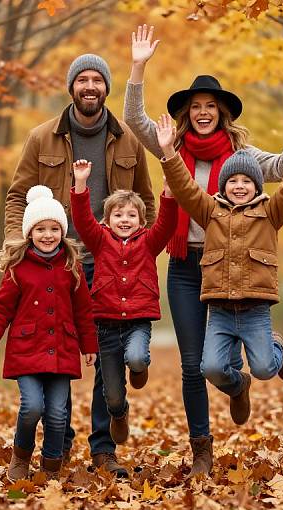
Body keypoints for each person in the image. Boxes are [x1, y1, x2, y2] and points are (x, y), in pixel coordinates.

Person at [123, 24, 283, 476]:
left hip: (235, 271)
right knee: (194, 366)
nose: (204, 113)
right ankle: (202, 451)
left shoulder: (240, 156)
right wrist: (138, 66)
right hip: (187, 266)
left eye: (211, 106)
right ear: (187, 113)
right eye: (196, 107)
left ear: (223, 112)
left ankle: (242, 376)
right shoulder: (169, 142)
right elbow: (134, 120)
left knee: (218, 359)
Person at [4, 53, 155, 477]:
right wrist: (16, 248)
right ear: (71, 87)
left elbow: (147, 201)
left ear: (107, 88)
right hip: (58, 263)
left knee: (105, 359)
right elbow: (17, 196)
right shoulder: (41, 138)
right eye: (82, 80)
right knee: (62, 356)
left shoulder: (128, 140)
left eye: (97, 81)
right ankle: (61, 442)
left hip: (110, 267)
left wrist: (141, 253)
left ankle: (103, 449)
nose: (90, 87)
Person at [156, 110, 283, 469]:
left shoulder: (271, 212)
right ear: (223, 185)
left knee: (264, 367)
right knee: (210, 367)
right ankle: (237, 382)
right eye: (234, 181)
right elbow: (184, 188)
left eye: (248, 180)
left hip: (255, 311)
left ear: (258, 186)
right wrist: (168, 152)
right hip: (219, 311)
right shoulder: (210, 211)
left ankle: (276, 346)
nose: (241, 185)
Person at [0, 185, 98, 482]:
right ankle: (21, 455)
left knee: (58, 414)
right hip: (26, 351)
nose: (47, 235)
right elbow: (0, 308)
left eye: (54, 229)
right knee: (31, 407)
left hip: (62, 351)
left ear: (62, 232)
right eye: (40, 229)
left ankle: (51, 466)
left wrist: (88, 345)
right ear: (29, 233)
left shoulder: (72, 266)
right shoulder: (18, 268)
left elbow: (83, 311)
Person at [70, 159, 178, 445]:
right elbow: (81, 220)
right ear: (106, 220)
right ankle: (120, 414)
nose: (125, 220)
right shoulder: (100, 240)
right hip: (105, 325)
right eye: (118, 215)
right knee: (113, 395)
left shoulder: (149, 242)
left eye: (131, 215)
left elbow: (167, 225)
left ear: (142, 222)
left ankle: (139, 368)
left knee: (137, 357)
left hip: (138, 323)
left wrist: (169, 193)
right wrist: (80, 183)